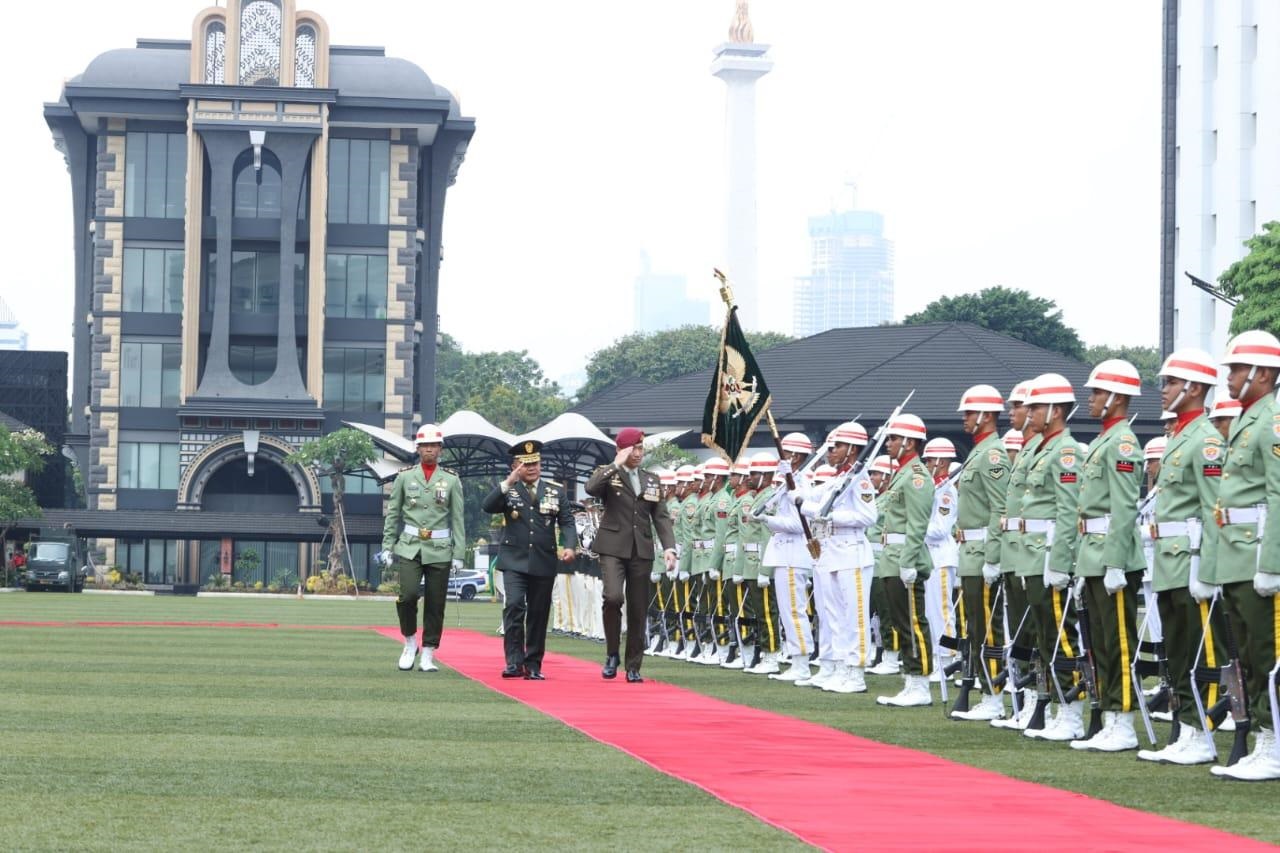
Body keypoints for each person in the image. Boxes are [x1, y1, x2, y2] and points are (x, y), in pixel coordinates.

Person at [1135, 349, 1222, 765]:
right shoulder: (1178, 438)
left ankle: (1201, 732)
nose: (1163, 389)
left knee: (1197, 651)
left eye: (1170, 382)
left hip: (1190, 557)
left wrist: (1206, 565)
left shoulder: (1205, 439)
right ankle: (1187, 726)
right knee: (1177, 650)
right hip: (1169, 559)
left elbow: (1211, 507)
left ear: (1194, 388)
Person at [1206, 331, 1280, 780]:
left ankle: (1274, 742)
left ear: (1263, 374)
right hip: (1236, 555)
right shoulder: (1248, 420)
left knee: (1267, 653)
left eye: (1236, 369)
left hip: (1257, 556)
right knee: (1248, 656)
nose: (1229, 378)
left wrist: (1272, 562)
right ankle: (1264, 740)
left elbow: (1276, 495)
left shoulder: (1272, 420)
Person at [1068, 359, 1147, 752]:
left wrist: (1114, 561)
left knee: (1118, 642)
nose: (1091, 399)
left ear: (1116, 397)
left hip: (1112, 556)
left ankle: (1124, 720)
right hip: (1094, 553)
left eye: (1097, 392)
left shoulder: (1122, 443)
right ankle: (1110, 716)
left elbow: (1123, 508)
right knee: (1099, 643)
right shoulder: (1104, 440)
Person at [1017, 374, 1083, 741]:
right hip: (1032, 554)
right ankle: (1059, 704)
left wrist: (1059, 563)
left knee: (1062, 636)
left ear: (1056, 411)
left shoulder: (1065, 450)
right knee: (1046, 637)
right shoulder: (1045, 448)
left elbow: (1067, 510)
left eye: (1037, 407)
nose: (1029, 413)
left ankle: (1071, 709)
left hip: (1048, 556)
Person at [583, 428, 677, 683]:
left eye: (640, 448)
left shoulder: (651, 480)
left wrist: (669, 546)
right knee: (613, 597)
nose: (638, 453)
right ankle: (612, 653)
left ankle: (634, 665)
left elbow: (661, 516)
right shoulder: (609, 473)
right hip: (613, 547)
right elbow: (591, 488)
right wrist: (616, 463)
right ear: (621, 449)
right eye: (633, 449)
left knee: (638, 608)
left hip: (641, 549)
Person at [482, 439, 577, 680]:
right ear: (515, 466)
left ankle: (533, 663)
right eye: (525, 464)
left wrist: (569, 546)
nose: (531, 467)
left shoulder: (555, 491)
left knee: (538, 612)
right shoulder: (509, 489)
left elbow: (567, 521)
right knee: (514, 605)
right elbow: (488, 506)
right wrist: (507, 482)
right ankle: (514, 662)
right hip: (514, 560)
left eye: (535, 462)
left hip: (543, 561)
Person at [379, 424, 465, 673]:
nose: (429, 449)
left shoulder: (451, 479)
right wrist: (387, 546)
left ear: (440, 449)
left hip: (439, 548)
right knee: (407, 596)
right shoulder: (405, 476)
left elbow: (457, 519)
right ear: (417, 449)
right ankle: (409, 641)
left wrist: (459, 553)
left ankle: (428, 652)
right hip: (410, 546)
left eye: (434, 445)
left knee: (436, 603)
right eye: (425, 445)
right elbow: (393, 514)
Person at [801, 422, 877, 693]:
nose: (830, 452)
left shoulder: (860, 478)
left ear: (852, 450)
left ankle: (856, 673)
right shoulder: (838, 478)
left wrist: (832, 515)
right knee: (834, 616)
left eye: (836, 447)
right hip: (832, 552)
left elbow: (869, 516)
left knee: (854, 616)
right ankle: (842, 667)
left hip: (851, 552)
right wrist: (796, 480)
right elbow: (812, 499)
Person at [950, 384, 1010, 722]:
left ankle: (993, 695)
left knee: (988, 628)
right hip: (969, 551)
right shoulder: (980, 451)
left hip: (982, 550)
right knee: (976, 627)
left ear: (987, 416)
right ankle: (987, 690)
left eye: (970, 413)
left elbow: (998, 508)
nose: (965, 418)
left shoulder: (992, 454)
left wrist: (991, 557)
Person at [875, 413, 937, 708]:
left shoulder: (916, 476)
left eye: (894, 438)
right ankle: (911, 680)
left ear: (909, 442)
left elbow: (917, 523)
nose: (888, 443)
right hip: (892, 556)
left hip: (905, 557)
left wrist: (909, 561)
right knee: (902, 622)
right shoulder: (901, 473)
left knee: (913, 621)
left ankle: (921, 682)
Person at [763, 432, 818, 682]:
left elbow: (800, 523)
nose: (779, 459)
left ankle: (802, 663)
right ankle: (797, 659)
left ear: (794, 456)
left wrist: (769, 521)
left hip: (794, 553)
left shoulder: (801, 483)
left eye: (783, 453)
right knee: (787, 611)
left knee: (794, 611)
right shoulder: (788, 481)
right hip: (784, 552)